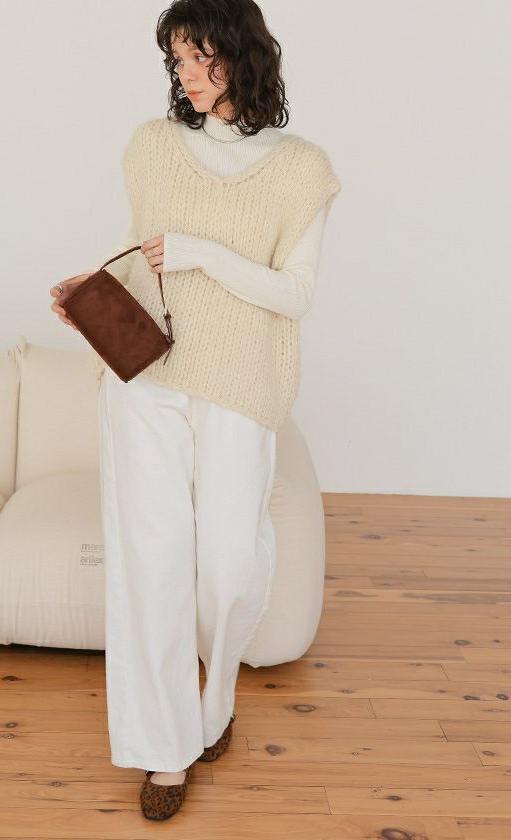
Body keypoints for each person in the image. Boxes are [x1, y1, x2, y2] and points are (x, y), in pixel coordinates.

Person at [50, 0, 341, 820]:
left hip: (241, 384)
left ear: (240, 54)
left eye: (195, 55)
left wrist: (204, 253)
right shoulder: (150, 146)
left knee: (229, 567)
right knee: (151, 562)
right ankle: (165, 750)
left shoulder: (302, 168)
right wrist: (92, 297)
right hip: (145, 379)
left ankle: (215, 705)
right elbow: (144, 257)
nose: (183, 73)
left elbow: (297, 293)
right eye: (175, 59)